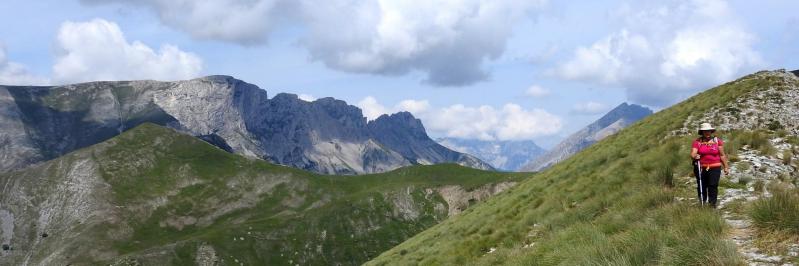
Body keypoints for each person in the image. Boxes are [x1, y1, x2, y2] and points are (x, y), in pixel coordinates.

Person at [690, 123, 730, 208]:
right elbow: (693, 153)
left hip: (715, 167)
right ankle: (702, 203)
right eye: (705, 131)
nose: (707, 133)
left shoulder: (717, 141)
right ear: (702, 132)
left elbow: (722, 155)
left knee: (713, 185)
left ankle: (712, 205)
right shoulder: (697, 142)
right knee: (702, 185)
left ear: (711, 131)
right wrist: (695, 155)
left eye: (709, 131)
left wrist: (726, 167)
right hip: (701, 168)